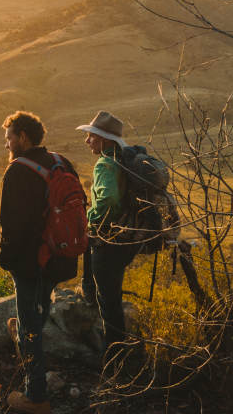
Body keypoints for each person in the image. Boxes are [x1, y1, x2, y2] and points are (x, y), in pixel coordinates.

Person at [0, 111, 78, 414]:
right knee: (37, 310)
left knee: (30, 326)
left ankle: (36, 396)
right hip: (60, 259)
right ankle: (27, 331)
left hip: (31, 264)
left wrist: (8, 260)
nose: (7, 145)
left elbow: (9, 224)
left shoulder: (18, 171)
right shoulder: (61, 162)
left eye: (9, 138)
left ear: (23, 138)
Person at [76, 110, 141, 363]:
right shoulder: (124, 160)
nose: (87, 141)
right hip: (128, 238)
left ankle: (113, 358)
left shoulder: (105, 163)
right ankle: (118, 353)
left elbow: (110, 198)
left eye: (91, 136)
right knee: (112, 295)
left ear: (104, 140)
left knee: (108, 301)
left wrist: (91, 221)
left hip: (110, 240)